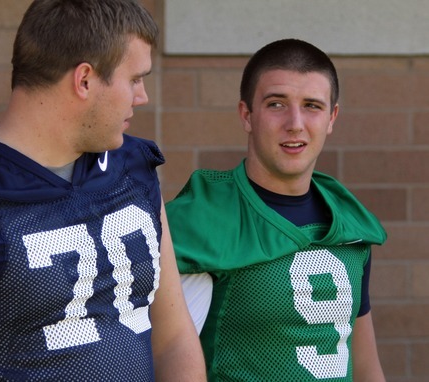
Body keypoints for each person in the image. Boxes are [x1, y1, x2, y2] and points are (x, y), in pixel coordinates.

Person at [0, 0, 206, 380]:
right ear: (85, 80)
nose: (141, 97)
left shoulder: (133, 167)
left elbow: (173, 336)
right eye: (135, 79)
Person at [166, 38, 387, 381]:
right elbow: (161, 355)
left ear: (332, 117)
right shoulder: (198, 220)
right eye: (276, 104)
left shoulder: (351, 224)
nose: (295, 123)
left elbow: (365, 365)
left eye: (312, 105)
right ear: (247, 115)